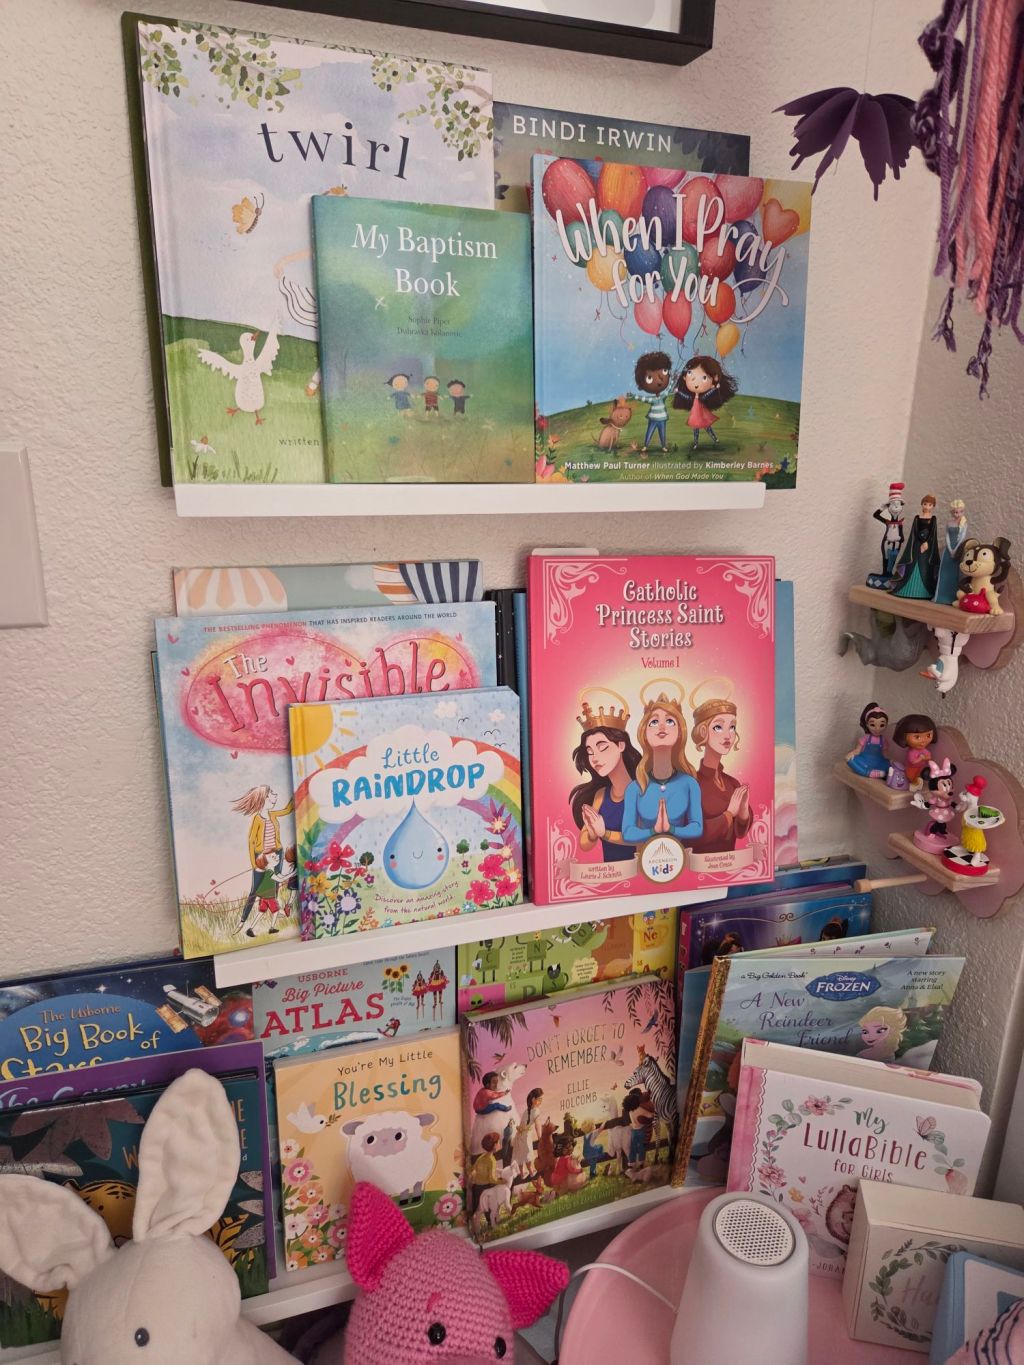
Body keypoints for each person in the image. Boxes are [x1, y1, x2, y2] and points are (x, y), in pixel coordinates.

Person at [622, 683, 703, 845]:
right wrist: (654, 831)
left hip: (681, 856)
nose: (661, 726)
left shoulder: (689, 784)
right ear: (644, 733)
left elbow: (697, 828)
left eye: (670, 721)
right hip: (645, 857)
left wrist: (671, 829)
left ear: (680, 732)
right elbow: (627, 833)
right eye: (654, 722)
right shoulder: (635, 788)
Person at [570, 690, 642, 863]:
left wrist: (604, 833)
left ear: (621, 745)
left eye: (602, 747)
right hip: (610, 872)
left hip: (640, 871)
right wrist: (592, 832)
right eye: (590, 752)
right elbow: (584, 843)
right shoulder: (601, 795)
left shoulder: (642, 790)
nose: (595, 758)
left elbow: (643, 837)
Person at [688, 682, 752, 854]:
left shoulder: (732, 783)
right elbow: (691, 835)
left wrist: (743, 810)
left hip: (730, 863)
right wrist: (729, 814)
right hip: (700, 864)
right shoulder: (692, 783)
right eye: (718, 727)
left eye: (732, 727)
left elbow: (741, 833)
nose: (728, 735)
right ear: (703, 731)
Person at [233, 786, 294, 936]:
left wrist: (298, 791)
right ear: (264, 798)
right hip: (262, 858)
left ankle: (274, 911)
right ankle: (242, 920)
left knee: (275, 884)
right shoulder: (257, 819)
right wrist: (254, 864)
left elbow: (288, 810)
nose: (275, 795)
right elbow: (251, 841)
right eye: (272, 793)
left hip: (277, 854)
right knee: (254, 890)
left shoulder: (273, 814)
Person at [672, 354, 738, 450]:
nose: (695, 381)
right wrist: (679, 392)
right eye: (690, 373)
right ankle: (696, 443)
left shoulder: (702, 397)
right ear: (684, 377)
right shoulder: (693, 397)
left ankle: (714, 439)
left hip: (702, 415)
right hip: (695, 416)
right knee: (695, 430)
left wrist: (714, 388)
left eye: (704, 378)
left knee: (708, 428)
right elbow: (687, 397)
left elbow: (707, 395)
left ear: (713, 380)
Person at [634, 351, 672, 453]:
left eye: (664, 371)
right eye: (650, 378)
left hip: (662, 418)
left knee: (662, 433)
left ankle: (663, 446)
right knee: (649, 432)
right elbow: (643, 399)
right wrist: (633, 396)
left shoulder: (663, 396)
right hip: (653, 419)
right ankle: (646, 446)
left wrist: (672, 381)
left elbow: (668, 390)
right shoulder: (652, 399)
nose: (659, 381)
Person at [845, 702, 890, 780]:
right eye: (873, 725)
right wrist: (851, 753)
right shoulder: (865, 738)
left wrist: (891, 761)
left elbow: (885, 754)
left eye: (882, 725)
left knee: (890, 765)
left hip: (878, 762)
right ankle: (868, 773)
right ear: (867, 724)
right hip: (865, 760)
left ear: (886, 725)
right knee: (849, 760)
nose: (877, 729)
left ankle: (877, 772)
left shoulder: (883, 740)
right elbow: (857, 750)